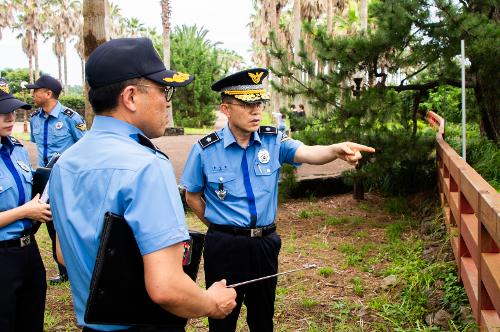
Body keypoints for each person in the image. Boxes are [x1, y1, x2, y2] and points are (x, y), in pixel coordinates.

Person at [48, 37, 237, 332]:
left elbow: (63, 253)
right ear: (131, 96)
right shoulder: (147, 166)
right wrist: (212, 302)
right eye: (164, 90)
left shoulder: (63, 165)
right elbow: (166, 287)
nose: (166, 101)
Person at [181, 68, 375, 332]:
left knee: (263, 317)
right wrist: (218, 225)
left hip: (265, 244)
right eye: (247, 104)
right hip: (225, 247)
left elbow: (308, 152)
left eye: (259, 103)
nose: (256, 111)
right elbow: (192, 195)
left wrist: (334, 149)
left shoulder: (273, 141)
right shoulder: (205, 149)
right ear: (226, 109)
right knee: (221, 319)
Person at [0, 78, 52, 331]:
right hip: (2, 255)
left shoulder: (16, 149)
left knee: (31, 319)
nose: (9, 117)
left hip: (28, 251)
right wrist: (26, 211)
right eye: (1, 113)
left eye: (10, 111)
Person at [27, 74, 86, 284]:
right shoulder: (34, 118)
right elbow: (37, 144)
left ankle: (76, 265)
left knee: (67, 222)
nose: (32, 94)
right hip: (44, 178)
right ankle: (63, 270)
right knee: (48, 222)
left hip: (66, 179)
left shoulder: (70, 118)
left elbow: (84, 146)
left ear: (48, 93)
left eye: (36, 90)